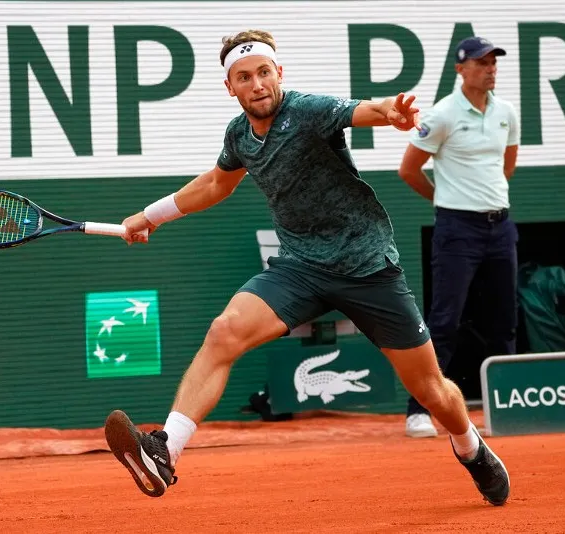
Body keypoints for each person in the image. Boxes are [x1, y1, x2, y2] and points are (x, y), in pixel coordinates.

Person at [104, 29, 510, 506]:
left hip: (367, 266)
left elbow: (365, 110)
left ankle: (470, 447)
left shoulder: (309, 110)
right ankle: (165, 453)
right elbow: (216, 183)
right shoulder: (239, 135)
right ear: (230, 87)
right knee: (224, 332)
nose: (257, 84)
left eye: (263, 73)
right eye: (244, 77)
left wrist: (391, 113)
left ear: (279, 74)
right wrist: (150, 216)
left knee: (431, 390)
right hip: (300, 266)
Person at [397, 36, 520, 438]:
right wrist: (446, 200)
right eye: (482, 63)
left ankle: (507, 407)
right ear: (460, 69)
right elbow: (409, 170)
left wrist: (487, 199)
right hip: (457, 230)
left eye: (493, 63)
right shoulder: (443, 114)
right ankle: (419, 411)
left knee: (505, 321)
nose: (490, 69)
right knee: (444, 320)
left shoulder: (506, 112)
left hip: (500, 228)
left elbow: (507, 163)